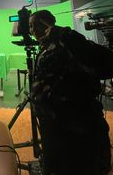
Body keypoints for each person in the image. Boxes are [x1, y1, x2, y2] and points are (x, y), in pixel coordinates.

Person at [29, 10, 113, 175]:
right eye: (30, 26)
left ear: (47, 24)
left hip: (77, 127)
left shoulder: (69, 43)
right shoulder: (46, 47)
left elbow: (106, 62)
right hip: (53, 126)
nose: (32, 30)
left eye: (35, 25)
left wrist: (63, 33)